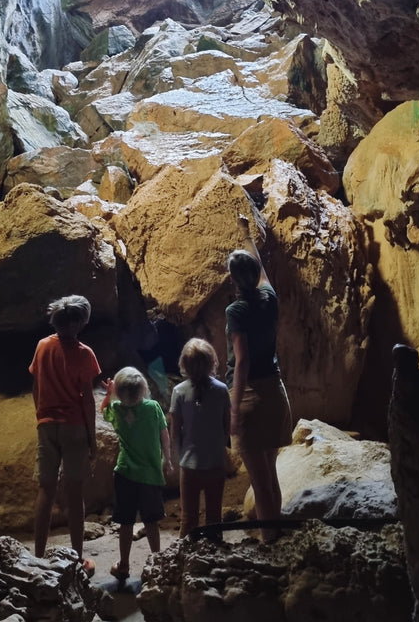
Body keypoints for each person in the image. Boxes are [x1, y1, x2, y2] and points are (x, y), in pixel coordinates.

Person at [226, 214, 293, 541]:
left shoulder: (236, 312)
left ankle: (269, 543)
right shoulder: (270, 299)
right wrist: (247, 234)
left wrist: (234, 410)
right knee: (271, 475)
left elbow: (242, 362)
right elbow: (263, 270)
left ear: (233, 281)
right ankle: (275, 534)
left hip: (251, 395)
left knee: (259, 479)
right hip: (275, 393)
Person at [29, 295, 101, 575]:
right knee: (74, 493)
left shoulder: (43, 346)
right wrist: (92, 439)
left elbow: (36, 385)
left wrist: (41, 415)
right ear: (81, 322)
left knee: (45, 490)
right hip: (73, 427)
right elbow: (87, 400)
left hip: (47, 425)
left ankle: (37, 556)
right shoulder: (85, 354)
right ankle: (76, 558)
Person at [101, 366, 172, 584]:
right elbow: (164, 434)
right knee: (151, 522)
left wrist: (109, 392)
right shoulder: (152, 408)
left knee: (126, 523)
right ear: (143, 388)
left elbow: (104, 408)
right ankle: (156, 563)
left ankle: (123, 565)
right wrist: (167, 459)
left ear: (119, 393)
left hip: (125, 475)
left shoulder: (117, 410)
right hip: (150, 475)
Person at [170, 337, 231, 538]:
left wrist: (175, 456)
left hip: (189, 464)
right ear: (212, 362)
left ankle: (186, 559)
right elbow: (226, 426)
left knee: (189, 519)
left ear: (184, 364)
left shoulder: (178, 392)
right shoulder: (222, 390)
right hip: (215, 462)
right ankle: (214, 557)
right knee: (214, 517)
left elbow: (175, 430)